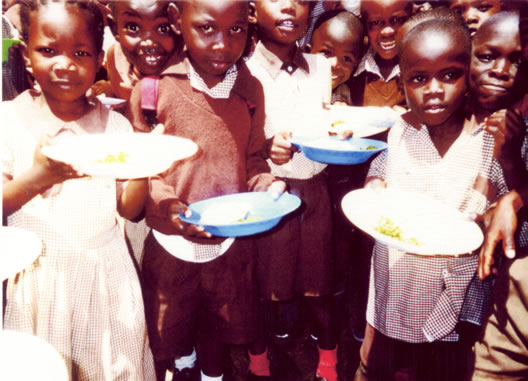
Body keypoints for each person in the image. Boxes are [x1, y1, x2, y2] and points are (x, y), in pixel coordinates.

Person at [124, 1, 286, 380]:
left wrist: (268, 186)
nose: (222, 45)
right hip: (171, 245)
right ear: (179, 21)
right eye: (207, 29)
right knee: (165, 331)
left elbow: (253, 160)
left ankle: (212, 374)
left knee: (219, 326)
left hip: (227, 248)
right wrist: (172, 209)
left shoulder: (249, 90)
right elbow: (145, 173)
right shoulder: (152, 92)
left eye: (235, 30)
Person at [2, 0, 155, 379]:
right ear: (24, 55)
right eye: (48, 51)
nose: (65, 64)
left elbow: (130, 210)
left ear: (99, 59)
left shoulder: (115, 128)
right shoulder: (9, 121)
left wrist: (144, 165)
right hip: (40, 277)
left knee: (111, 364)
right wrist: (38, 176)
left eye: (80, 53)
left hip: (106, 273)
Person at [354, 18, 507, 381]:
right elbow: (385, 161)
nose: (433, 90)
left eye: (449, 75)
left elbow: (501, 195)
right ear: (403, 82)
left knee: (440, 366)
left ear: (469, 74)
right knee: (377, 361)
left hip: (451, 287)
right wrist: (375, 181)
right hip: (396, 277)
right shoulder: (403, 130)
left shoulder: (487, 141)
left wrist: (490, 212)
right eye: (419, 79)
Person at [245, 1, 337, 380]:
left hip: (315, 192)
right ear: (251, 10)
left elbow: (328, 122)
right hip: (267, 194)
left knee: (320, 287)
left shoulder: (320, 67)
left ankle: (328, 365)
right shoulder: (242, 70)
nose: (289, 6)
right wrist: (267, 147)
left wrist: (339, 132)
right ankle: (258, 363)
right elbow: (241, 139)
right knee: (263, 285)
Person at [471, 4, 528, 379]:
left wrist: (511, 161)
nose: (501, 71)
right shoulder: (448, 110)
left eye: (517, 61)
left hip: (509, 288)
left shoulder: (521, 128)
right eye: (488, 57)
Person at [91, 0, 179, 101]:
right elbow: (118, 91)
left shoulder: (189, 70)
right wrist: (105, 89)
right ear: (115, 29)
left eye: (163, 28)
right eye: (133, 28)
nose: (149, 43)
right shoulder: (116, 58)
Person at [351, 0, 412, 107]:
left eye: (398, 20)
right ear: (364, 25)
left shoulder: (422, 68)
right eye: (375, 22)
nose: (387, 31)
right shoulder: (352, 63)